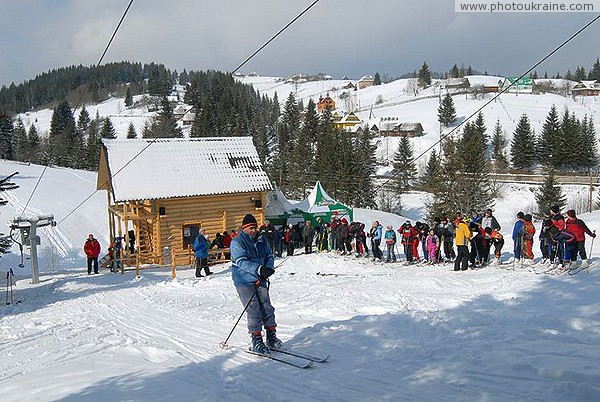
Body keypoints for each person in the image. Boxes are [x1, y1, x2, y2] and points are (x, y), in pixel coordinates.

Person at [230, 213, 281, 355]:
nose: (253, 231)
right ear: (244, 228)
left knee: (267, 307)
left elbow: (269, 256)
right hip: (244, 280)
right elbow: (241, 262)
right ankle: (257, 340)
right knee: (253, 309)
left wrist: (268, 269)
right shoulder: (237, 242)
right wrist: (259, 270)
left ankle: (271, 336)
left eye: (255, 228)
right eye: (251, 228)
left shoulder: (261, 239)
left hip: (260, 277)